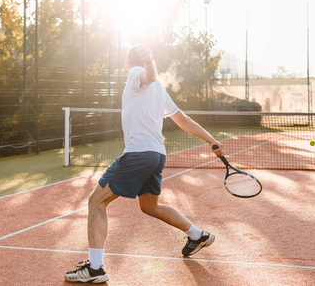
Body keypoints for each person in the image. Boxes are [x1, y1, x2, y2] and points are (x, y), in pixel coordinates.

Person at [65, 45, 225, 284]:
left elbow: (149, 75)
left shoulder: (135, 75)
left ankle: (95, 268)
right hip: (157, 155)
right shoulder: (159, 89)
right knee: (150, 206)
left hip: (139, 153)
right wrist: (211, 140)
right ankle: (196, 235)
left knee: (96, 201)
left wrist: (148, 61)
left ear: (126, 65)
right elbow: (183, 120)